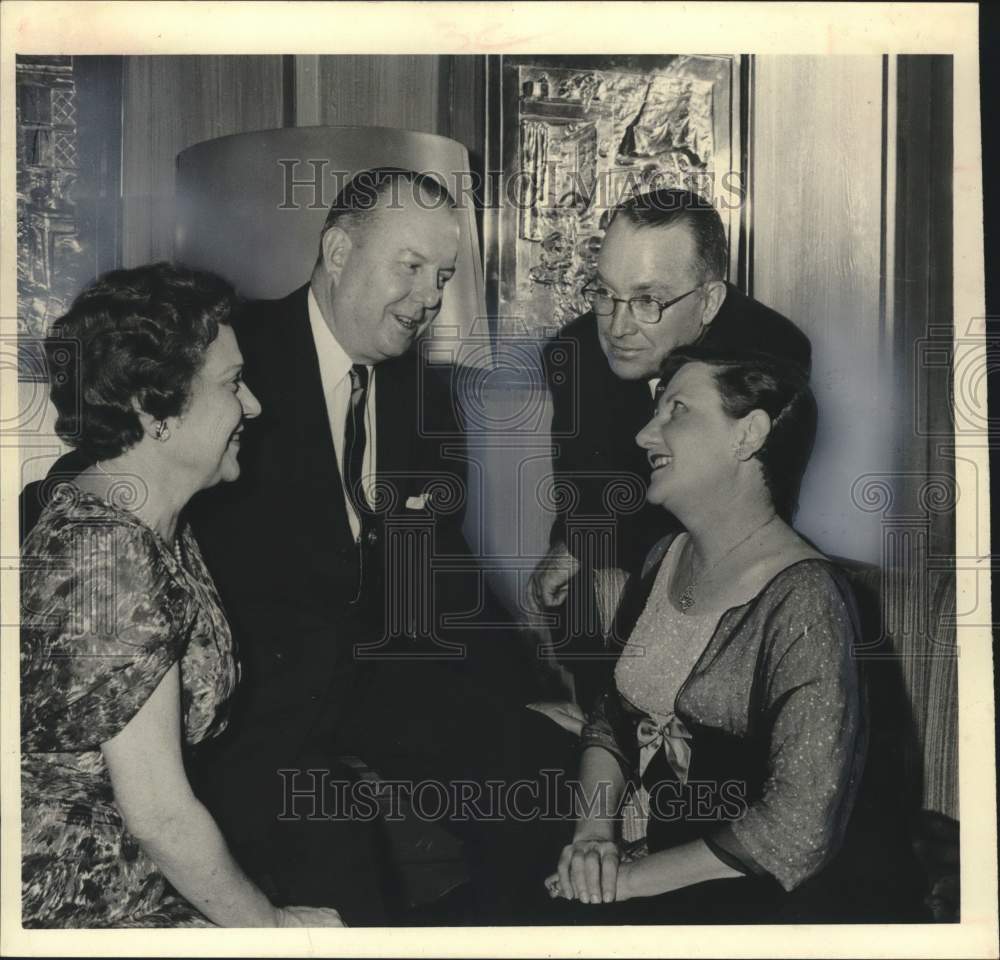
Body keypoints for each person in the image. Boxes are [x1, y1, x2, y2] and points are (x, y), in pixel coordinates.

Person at [182, 168, 563, 920]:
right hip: (257, 702)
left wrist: (530, 693)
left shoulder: (423, 394)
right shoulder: (232, 361)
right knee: (344, 873)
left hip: (384, 686)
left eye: (444, 276)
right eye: (411, 267)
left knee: (545, 779)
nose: (429, 298)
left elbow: (442, 567)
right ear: (338, 250)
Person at [541, 345, 918, 923]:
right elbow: (610, 714)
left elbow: (794, 832)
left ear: (748, 436)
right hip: (655, 857)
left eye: (677, 411)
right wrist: (594, 837)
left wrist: (623, 882)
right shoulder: (664, 556)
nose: (645, 434)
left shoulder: (807, 599)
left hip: (761, 896)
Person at [19, 263, 345, 927]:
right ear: (156, 409)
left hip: (141, 885)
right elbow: (160, 815)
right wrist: (274, 930)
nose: (252, 405)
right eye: (231, 385)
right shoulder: (106, 555)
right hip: (78, 908)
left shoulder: (157, 521)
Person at [530, 188, 812, 709]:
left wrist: (583, 541)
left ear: (708, 301)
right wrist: (575, 544)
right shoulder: (575, 351)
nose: (616, 328)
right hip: (609, 584)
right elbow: (581, 483)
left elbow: (732, 515)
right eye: (606, 293)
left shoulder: (770, 354)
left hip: (731, 579)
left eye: (648, 301)